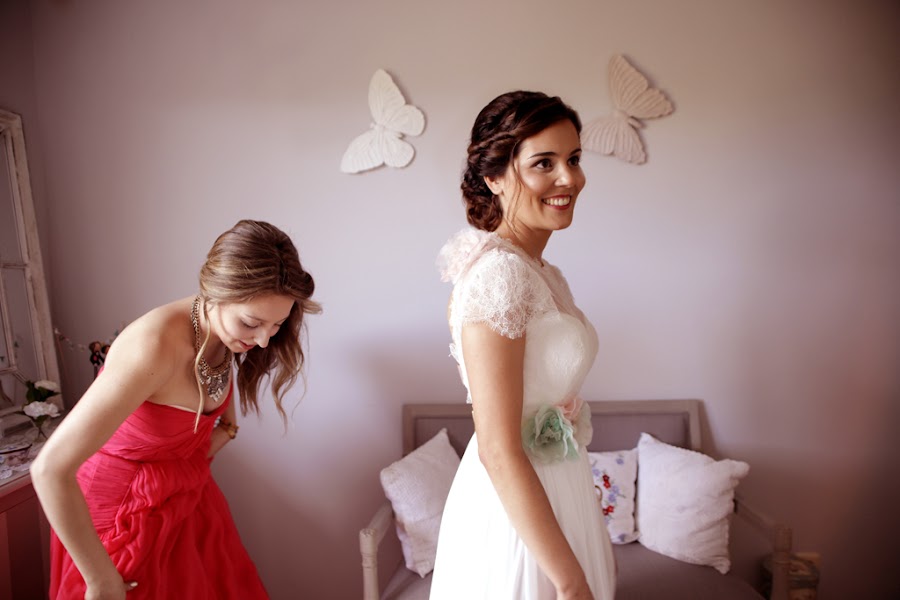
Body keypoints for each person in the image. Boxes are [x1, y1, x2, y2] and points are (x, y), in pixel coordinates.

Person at [31, 220, 320, 599]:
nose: (264, 341)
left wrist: (209, 445)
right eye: (252, 323)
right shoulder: (152, 347)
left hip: (186, 498)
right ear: (215, 294)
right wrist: (100, 579)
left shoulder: (226, 334)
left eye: (277, 325)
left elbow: (213, 411)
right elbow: (49, 469)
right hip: (121, 515)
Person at [430, 92, 616, 600]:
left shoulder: (542, 272)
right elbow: (497, 448)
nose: (569, 178)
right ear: (494, 177)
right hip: (513, 516)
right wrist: (570, 580)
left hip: (560, 490)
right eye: (544, 163)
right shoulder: (499, 275)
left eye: (574, 159)